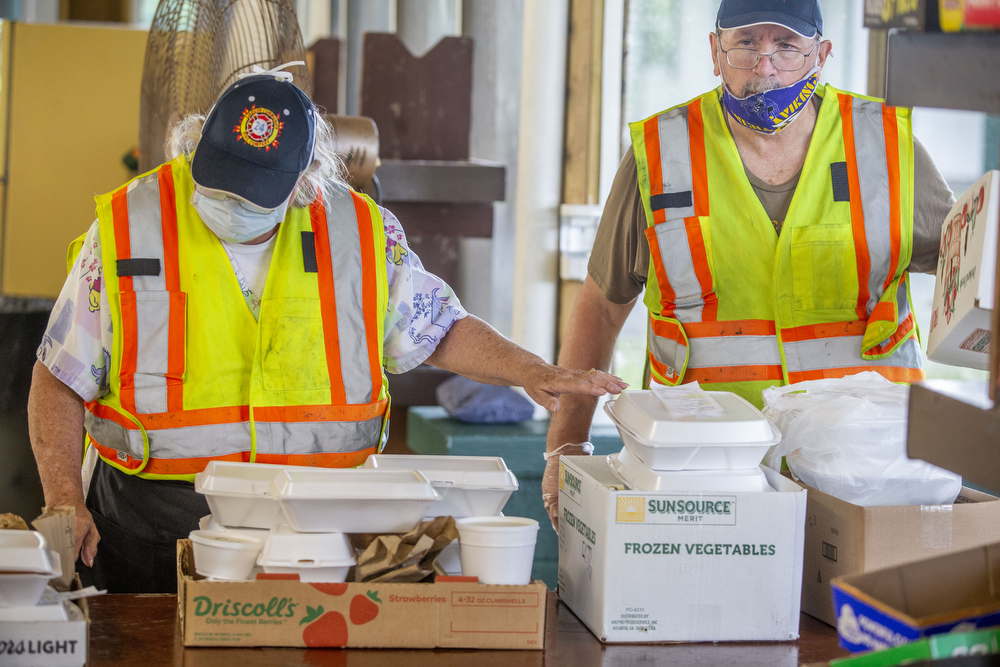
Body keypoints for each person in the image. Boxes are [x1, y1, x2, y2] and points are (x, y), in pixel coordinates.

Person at [28, 64, 627, 593]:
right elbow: (59, 378)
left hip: (316, 529)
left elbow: (438, 327)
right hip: (154, 524)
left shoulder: (359, 235)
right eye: (218, 182)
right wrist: (64, 499)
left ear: (304, 184)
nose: (231, 202)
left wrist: (534, 371)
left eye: (253, 195)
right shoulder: (129, 229)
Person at [542, 0, 956, 529]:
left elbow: (966, 278)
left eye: (786, 45)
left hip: (863, 479)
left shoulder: (885, 147)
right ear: (715, 52)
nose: (765, 66)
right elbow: (601, 309)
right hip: (703, 478)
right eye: (745, 44)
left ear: (820, 55)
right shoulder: (662, 153)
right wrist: (565, 448)